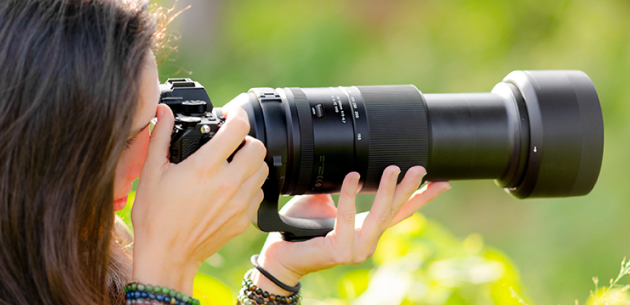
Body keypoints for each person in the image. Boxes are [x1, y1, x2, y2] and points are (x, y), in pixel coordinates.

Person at [0, 0, 451, 304]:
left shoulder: (78, 245)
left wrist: (274, 276)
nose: (146, 166)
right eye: (121, 140)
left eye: (154, 124)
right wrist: (166, 268)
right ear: (37, 147)